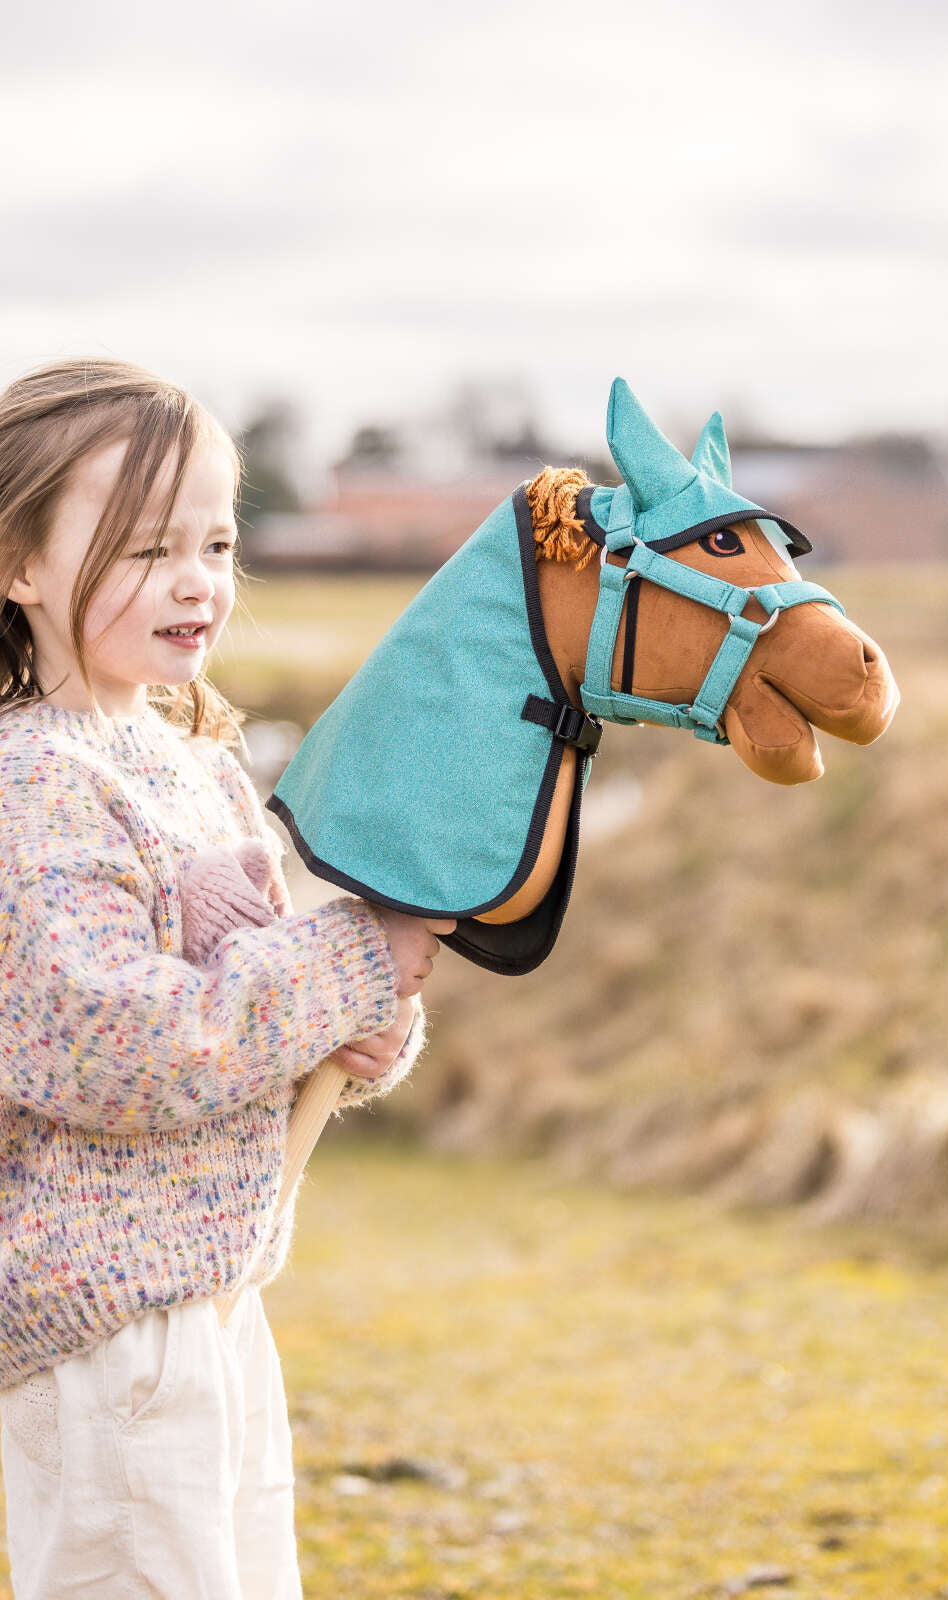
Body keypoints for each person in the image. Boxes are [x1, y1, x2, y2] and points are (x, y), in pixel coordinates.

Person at [0, 358, 454, 1599]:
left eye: (215, 542)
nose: (197, 578)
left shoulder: (190, 758)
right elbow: (115, 1046)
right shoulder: (33, 784)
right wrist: (346, 963)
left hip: (214, 1292)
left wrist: (362, 1027)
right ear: (19, 565)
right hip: (105, 1325)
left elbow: (261, 988)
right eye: (146, 548)